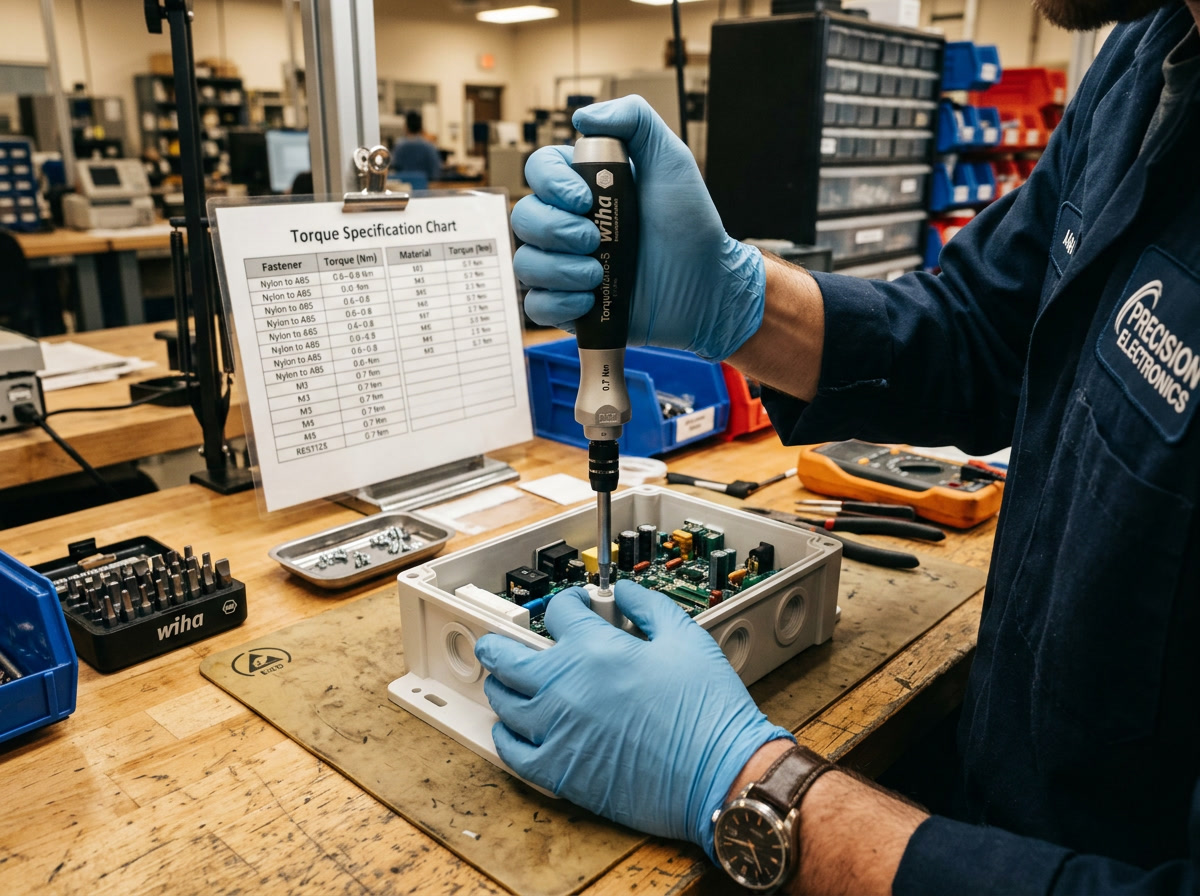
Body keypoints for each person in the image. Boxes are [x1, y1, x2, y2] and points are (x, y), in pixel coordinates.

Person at [474, 1, 1200, 893]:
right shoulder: (1147, 58)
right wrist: (738, 303)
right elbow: (984, 333)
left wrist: (745, 785)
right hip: (1000, 791)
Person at [389, 110, 442, 184]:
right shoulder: (429, 147)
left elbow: (392, 168)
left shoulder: (399, 147)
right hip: (425, 189)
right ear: (421, 126)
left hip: (403, 188)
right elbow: (435, 172)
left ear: (406, 126)